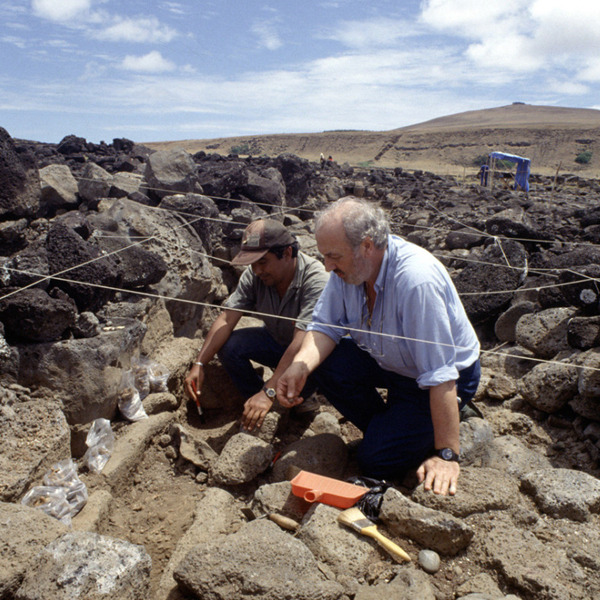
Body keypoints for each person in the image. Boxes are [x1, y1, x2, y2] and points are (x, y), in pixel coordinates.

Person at [277, 197, 480, 496]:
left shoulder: (415, 281)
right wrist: (300, 365)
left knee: (374, 460)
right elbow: (325, 326)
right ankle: (394, 429)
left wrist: (447, 454)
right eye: (324, 256)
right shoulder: (349, 269)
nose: (327, 266)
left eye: (334, 256)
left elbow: (440, 374)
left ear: (367, 246)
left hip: (439, 379)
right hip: (388, 361)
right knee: (324, 365)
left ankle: (440, 418)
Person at [185, 218, 329, 431]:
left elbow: (301, 343)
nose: (257, 270)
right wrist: (199, 364)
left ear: (287, 253)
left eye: (263, 262)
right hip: (277, 341)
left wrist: (269, 391)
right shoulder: (255, 276)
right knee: (231, 346)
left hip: (312, 356)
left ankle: (299, 396)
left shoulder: (316, 280)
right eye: (252, 263)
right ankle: (256, 402)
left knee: (316, 372)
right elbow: (227, 318)